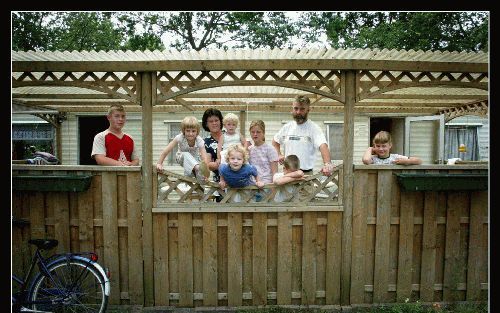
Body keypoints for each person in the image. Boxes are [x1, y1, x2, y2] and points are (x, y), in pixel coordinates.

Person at [272, 95, 334, 176]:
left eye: (302, 109)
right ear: (292, 108)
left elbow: (323, 146)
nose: (298, 112)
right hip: (287, 175)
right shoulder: (287, 127)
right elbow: (275, 141)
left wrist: (327, 164)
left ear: (308, 110)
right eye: (296, 108)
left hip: (306, 176)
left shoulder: (314, 128)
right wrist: (279, 154)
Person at [155, 116, 210, 183]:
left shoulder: (199, 140)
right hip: (181, 158)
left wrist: (206, 174)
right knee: (186, 154)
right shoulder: (179, 137)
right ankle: (197, 168)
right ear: (183, 130)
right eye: (188, 131)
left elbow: (204, 157)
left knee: (201, 178)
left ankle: (199, 185)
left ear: (197, 131)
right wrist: (159, 163)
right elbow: (167, 150)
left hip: (195, 160)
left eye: (193, 131)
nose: (190, 133)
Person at [248, 120, 278, 184]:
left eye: (258, 132)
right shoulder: (249, 149)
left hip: (266, 185)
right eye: (253, 132)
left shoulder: (270, 149)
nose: (255, 134)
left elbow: (274, 172)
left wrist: (273, 189)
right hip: (252, 185)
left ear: (263, 133)